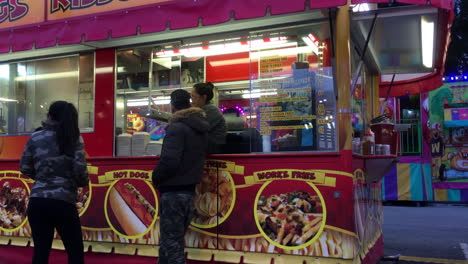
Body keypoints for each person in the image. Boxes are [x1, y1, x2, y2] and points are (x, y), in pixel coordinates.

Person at [20, 101, 88, 264]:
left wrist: (43, 179)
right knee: (75, 253)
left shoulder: (35, 137)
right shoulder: (73, 138)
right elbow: (81, 173)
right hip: (63, 203)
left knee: (41, 253)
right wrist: (72, 182)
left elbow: (24, 167)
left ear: (49, 115)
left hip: (38, 202)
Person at [152, 89, 209, 264]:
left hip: (173, 192)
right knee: (171, 243)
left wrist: (156, 177)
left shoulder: (176, 128)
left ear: (173, 105)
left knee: (172, 245)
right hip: (189, 192)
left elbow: (169, 160)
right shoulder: (199, 128)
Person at [191, 82, 226, 153]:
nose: (191, 100)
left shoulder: (211, 110)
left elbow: (196, 128)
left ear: (203, 97)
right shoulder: (202, 110)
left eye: (193, 96)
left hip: (213, 150)